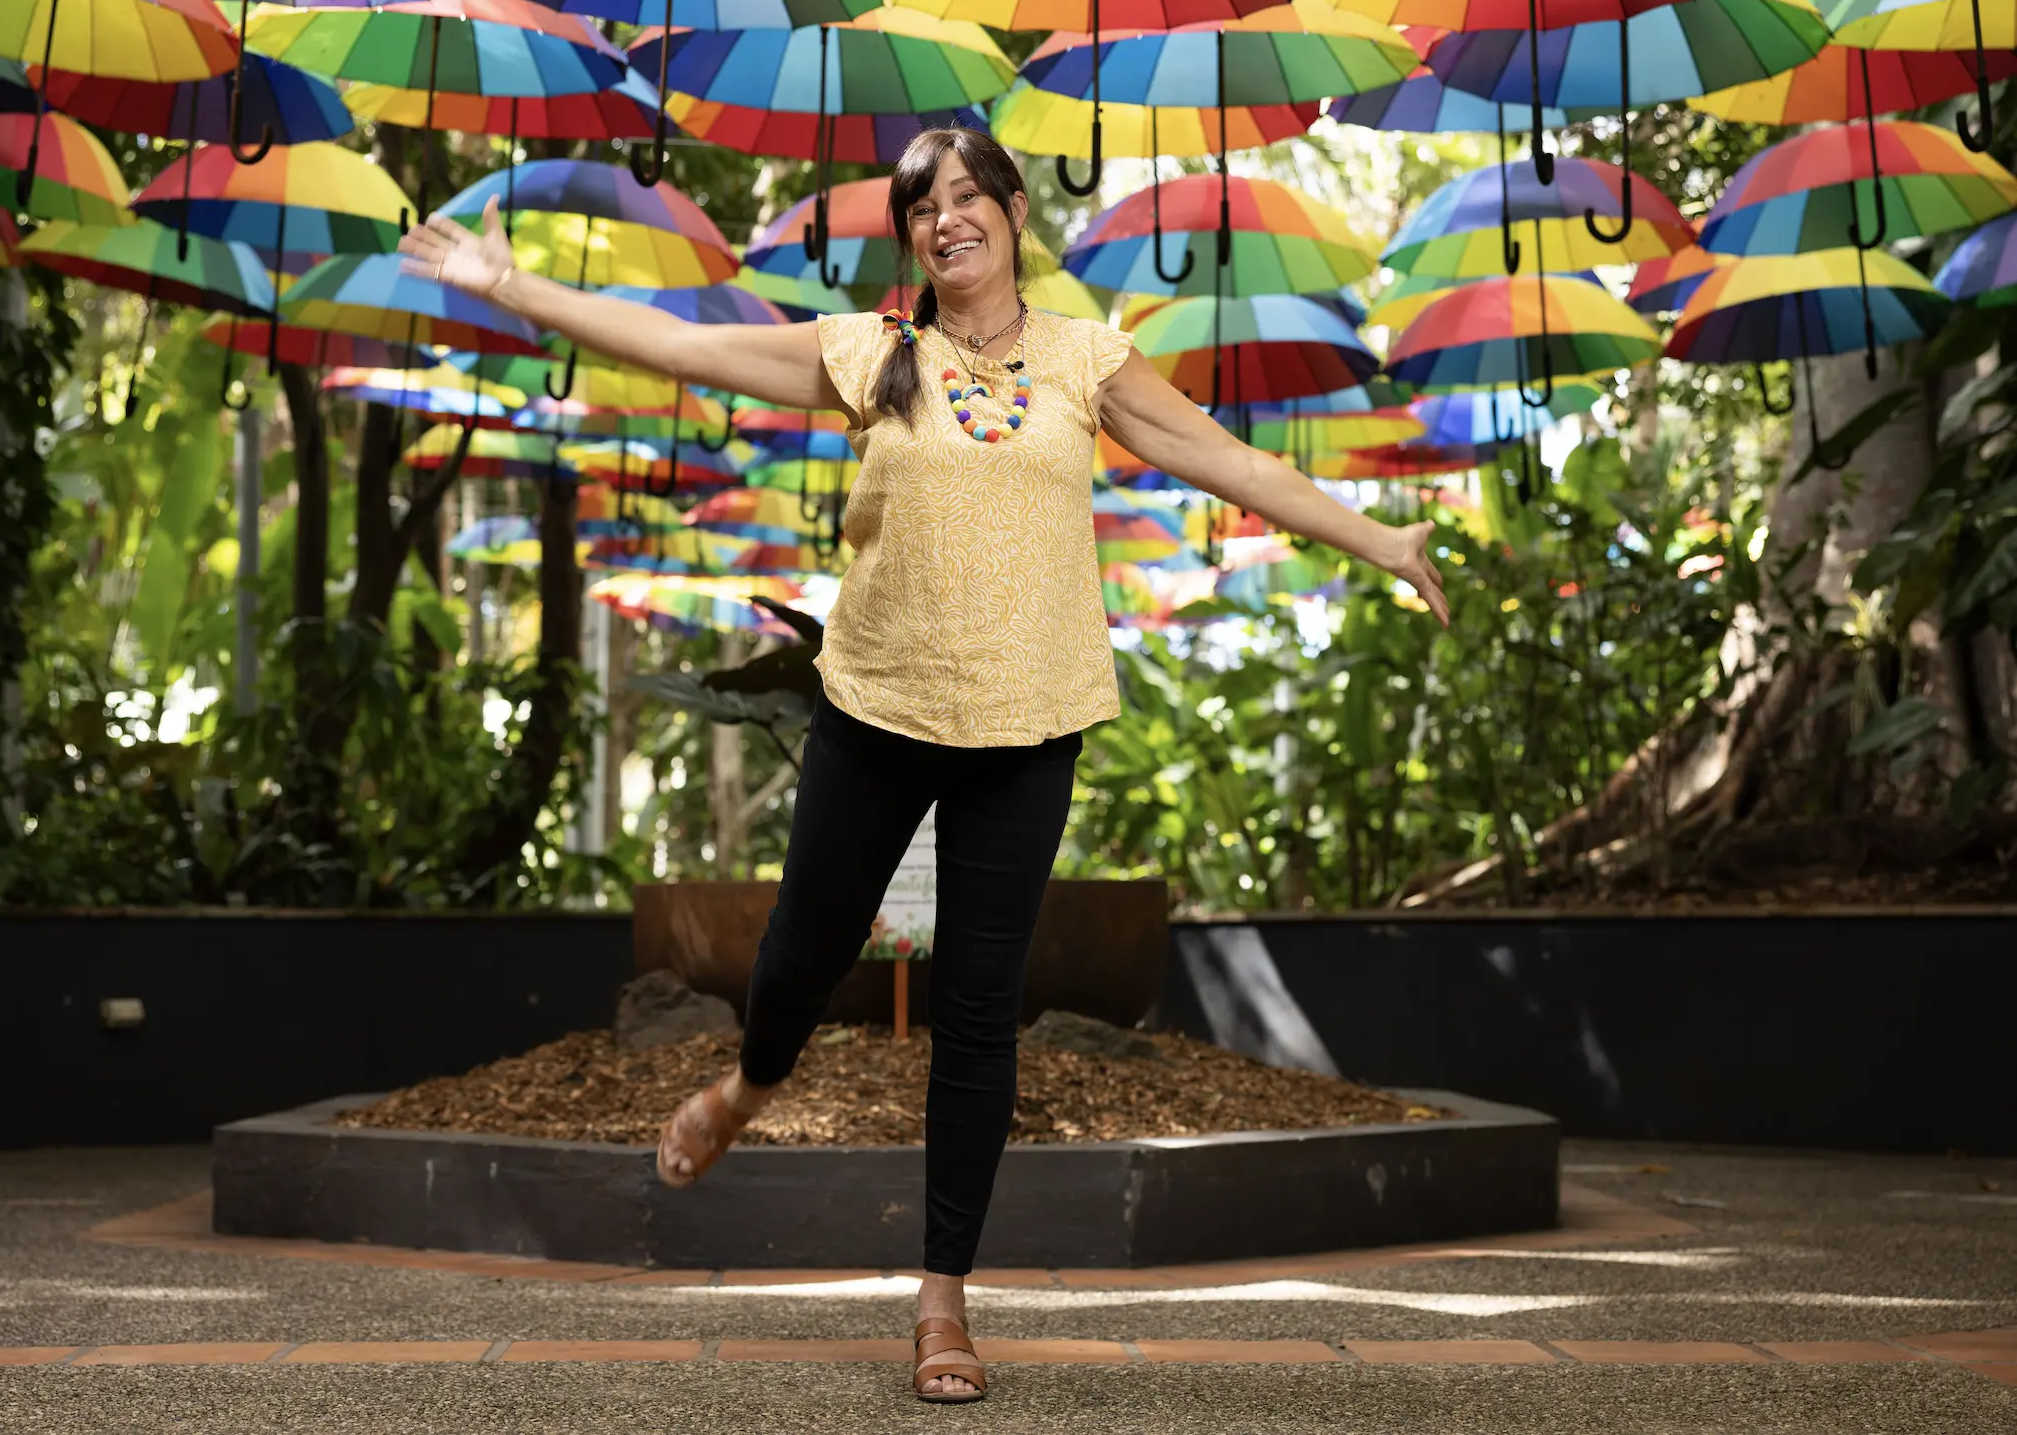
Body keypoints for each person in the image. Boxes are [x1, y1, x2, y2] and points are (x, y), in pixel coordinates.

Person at [400, 127, 1450, 1404]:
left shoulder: (1085, 359)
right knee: (801, 950)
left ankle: (942, 1302)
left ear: (1012, 211)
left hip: (1030, 719)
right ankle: (747, 1082)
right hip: (880, 704)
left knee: (975, 1009)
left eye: (967, 196)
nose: (945, 217)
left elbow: (1226, 460)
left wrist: (1380, 536)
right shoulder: (871, 351)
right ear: (909, 239)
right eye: (921, 206)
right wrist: (507, 286)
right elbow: (687, 346)